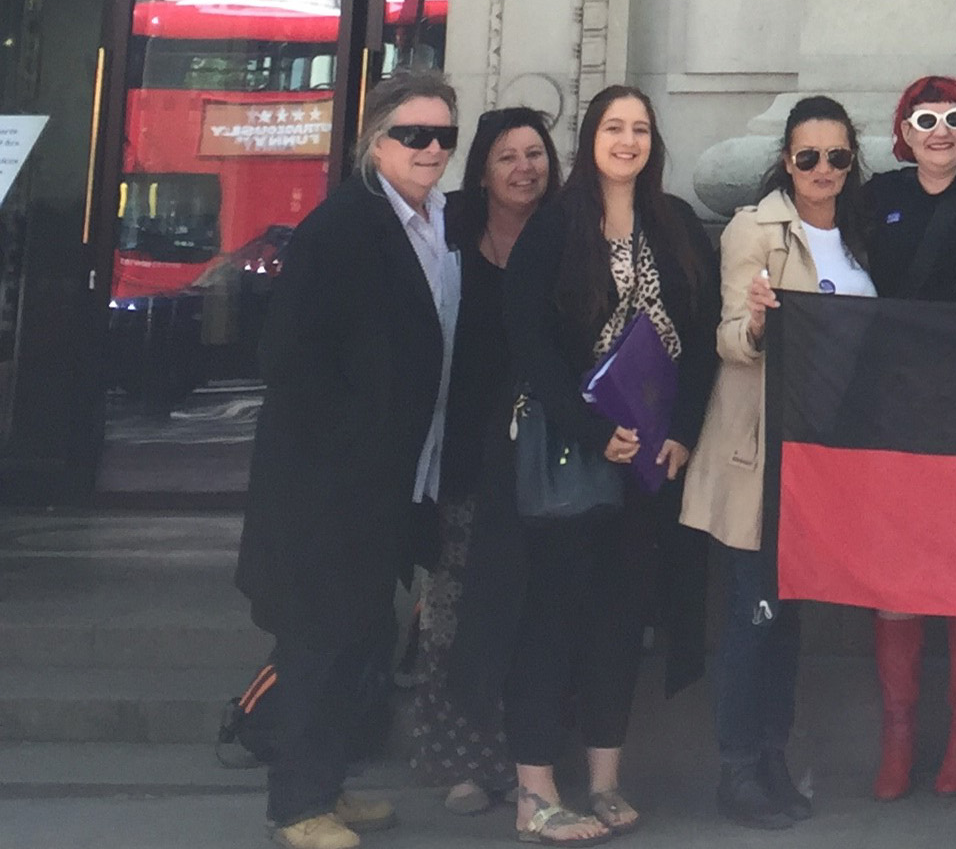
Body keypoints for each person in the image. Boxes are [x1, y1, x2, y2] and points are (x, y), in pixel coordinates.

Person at [237, 70, 462, 849]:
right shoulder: (343, 226)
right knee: (319, 643)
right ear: (376, 140)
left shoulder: (433, 224)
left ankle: (327, 785)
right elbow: (287, 356)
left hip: (395, 481)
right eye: (413, 134)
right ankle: (295, 804)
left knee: (361, 636)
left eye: (444, 135)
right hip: (327, 485)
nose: (431, 148)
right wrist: (350, 448)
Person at [503, 86, 718, 843]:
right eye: (614, 127)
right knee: (554, 617)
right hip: (575, 454)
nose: (628, 140)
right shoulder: (556, 227)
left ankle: (604, 779)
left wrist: (685, 429)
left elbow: (700, 336)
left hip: (651, 464)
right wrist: (593, 429)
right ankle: (534, 791)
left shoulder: (679, 224)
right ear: (591, 138)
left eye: (641, 129)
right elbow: (526, 343)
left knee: (621, 619)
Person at [681, 95, 873, 828]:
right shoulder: (752, 230)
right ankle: (738, 771)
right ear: (786, 162)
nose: (823, 169)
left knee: (787, 618)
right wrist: (759, 322)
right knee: (751, 615)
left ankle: (773, 759)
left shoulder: (859, 235)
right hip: (761, 454)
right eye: (807, 157)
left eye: (837, 157)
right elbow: (729, 338)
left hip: (827, 460)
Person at [409, 108, 561, 818]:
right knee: (451, 611)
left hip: (543, 457)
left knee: (530, 612)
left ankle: (526, 759)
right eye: (508, 156)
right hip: (464, 452)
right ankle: (462, 761)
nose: (525, 167)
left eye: (536, 153)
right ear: (482, 169)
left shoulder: (568, 236)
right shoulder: (449, 231)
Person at [863, 76, 956, 801]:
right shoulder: (875, 197)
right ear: (904, 131)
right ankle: (897, 737)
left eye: (955, 118)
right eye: (926, 118)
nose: (941, 130)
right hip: (896, 413)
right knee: (896, 574)